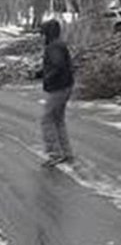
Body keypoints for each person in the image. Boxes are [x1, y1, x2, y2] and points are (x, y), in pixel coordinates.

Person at [37, 19, 74, 167]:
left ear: (48, 33)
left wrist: (47, 77)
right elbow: (58, 64)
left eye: (43, 32)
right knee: (58, 119)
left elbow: (58, 65)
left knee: (47, 120)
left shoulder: (53, 47)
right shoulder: (59, 44)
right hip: (65, 85)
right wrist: (40, 73)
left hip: (58, 87)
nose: (42, 36)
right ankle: (66, 152)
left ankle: (55, 153)